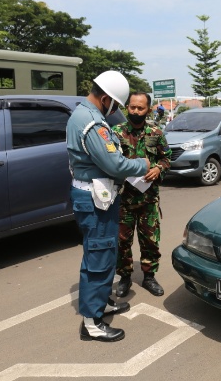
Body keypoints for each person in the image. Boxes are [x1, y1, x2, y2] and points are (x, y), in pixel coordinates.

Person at [66, 70, 151, 343]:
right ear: (105, 98)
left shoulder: (84, 115)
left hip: (98, 196)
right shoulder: (92, 123)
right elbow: (114, 164)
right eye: (115, 104)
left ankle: (101, 302)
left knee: (102, 253)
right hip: (95, 199)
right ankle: (92, 322)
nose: (116, 111)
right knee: (99, 258)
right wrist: (142, 165)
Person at [112, 92, 171, 298]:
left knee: (150, 241)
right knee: (122, 241)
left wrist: (158, 169)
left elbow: (166, 158)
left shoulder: (156, 132)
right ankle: (125, 277)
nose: (135, 111)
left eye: (140, 108)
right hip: (124, 199)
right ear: (127, 107)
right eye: (132, 107)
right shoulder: (116, 132)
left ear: (149, 109)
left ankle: (149, 277)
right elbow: (109, 161)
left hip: (148, 199)